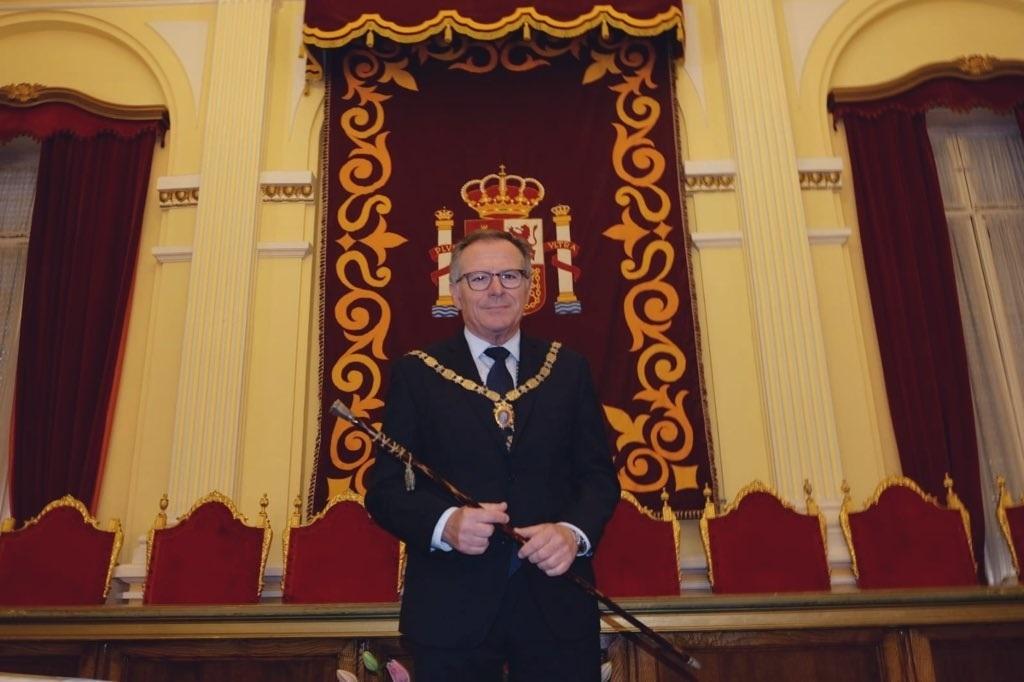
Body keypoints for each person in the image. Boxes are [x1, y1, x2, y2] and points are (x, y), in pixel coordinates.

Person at [366, 229, 620, 681]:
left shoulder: (569, 368)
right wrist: (447, 524)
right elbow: (384, 491)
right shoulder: (416, 373)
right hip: (451, 612)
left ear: (530, 286)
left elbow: (598, 477)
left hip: (556, 607)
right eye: (480, 278)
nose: (497, 289)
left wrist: (572, 532)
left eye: (510, 275)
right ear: (457, 291)